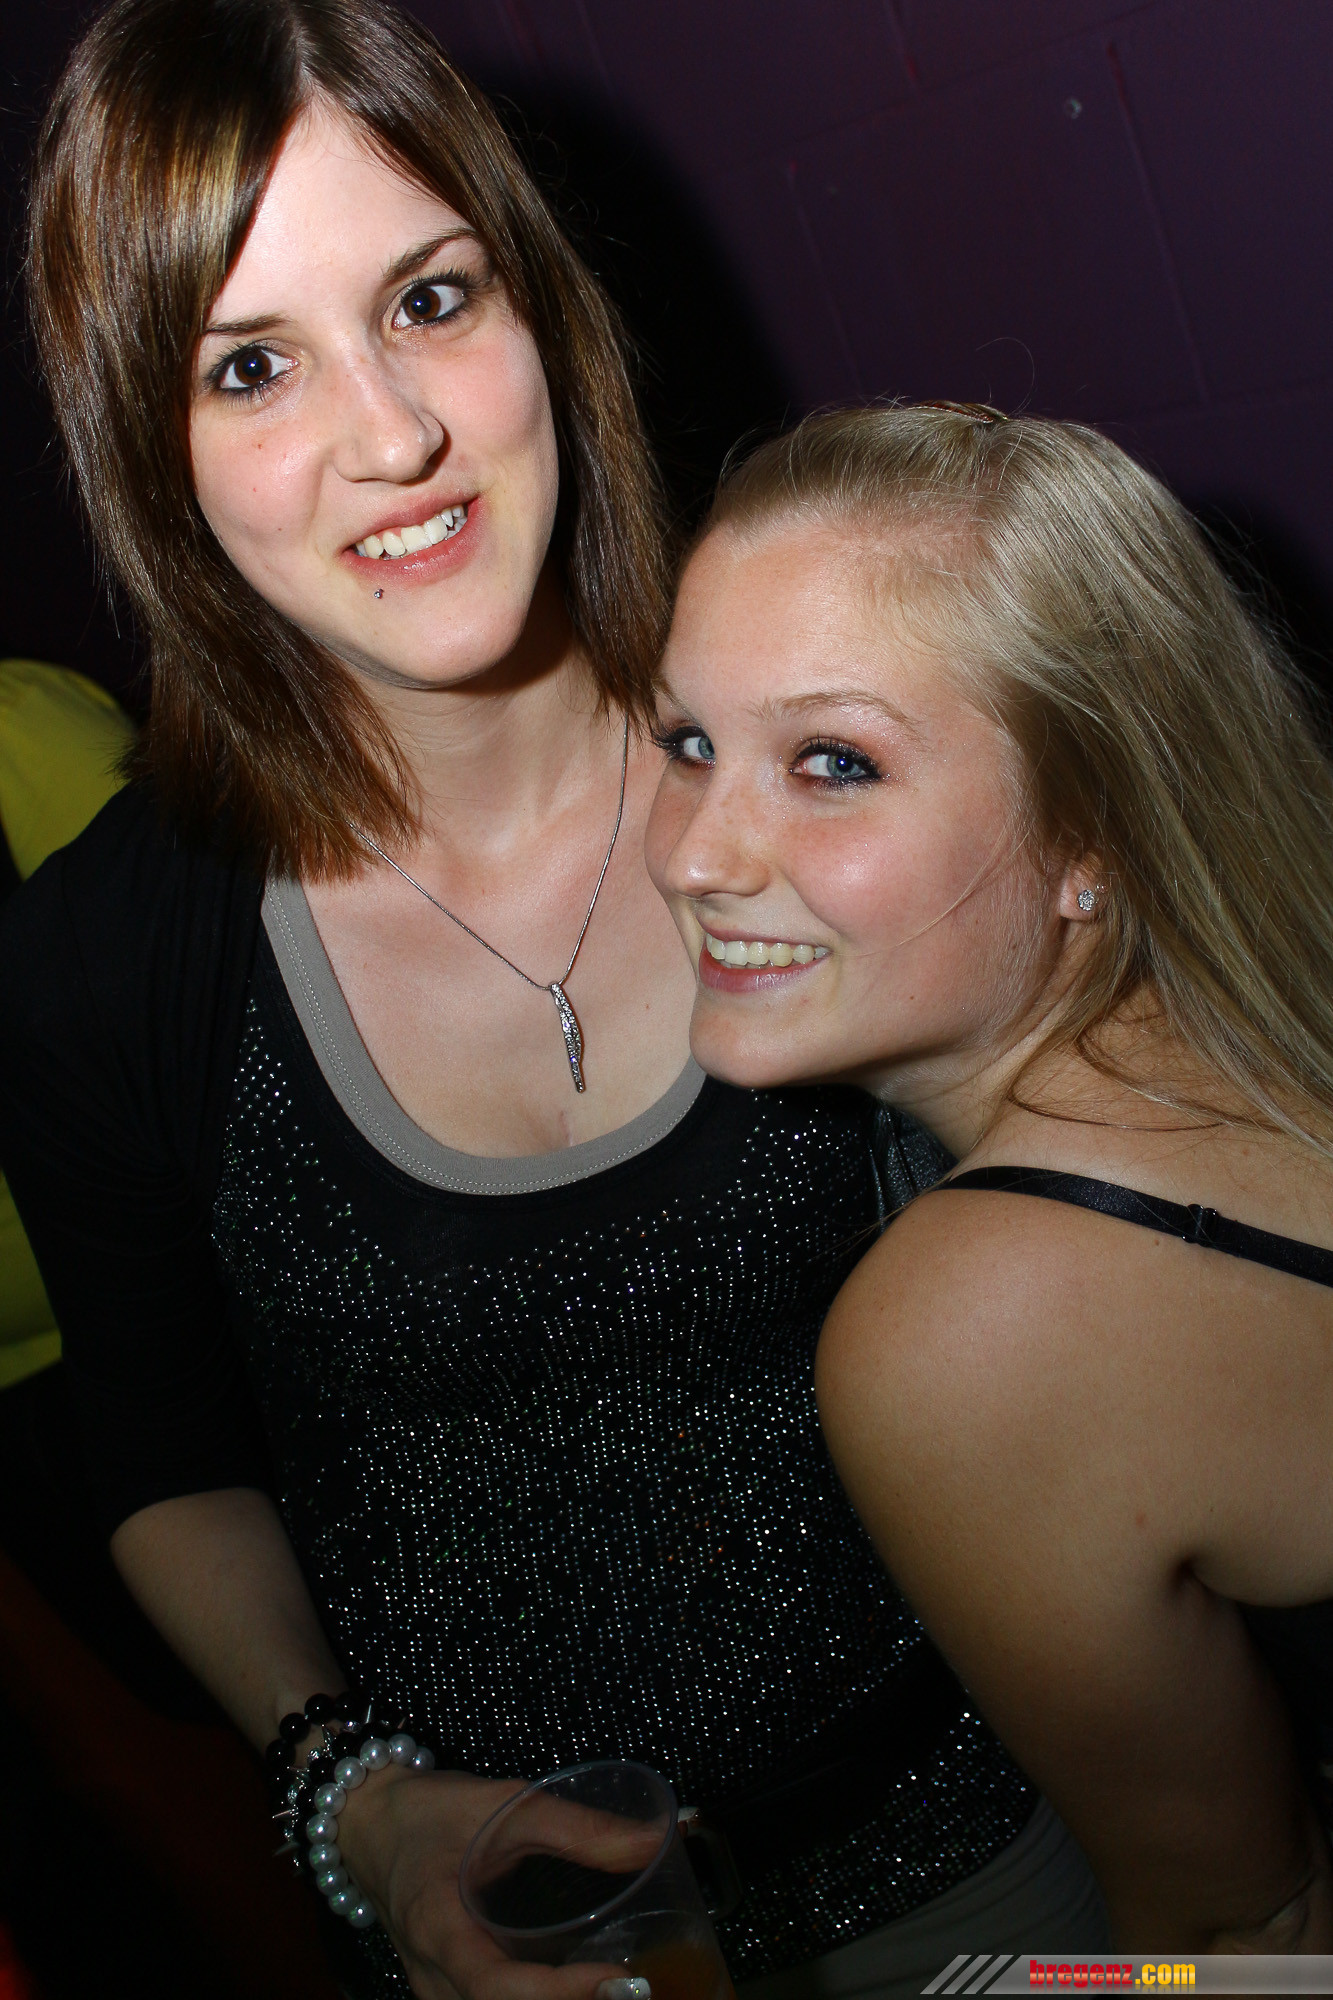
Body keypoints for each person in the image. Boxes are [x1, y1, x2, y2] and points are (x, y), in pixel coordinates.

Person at [0, 12, 1103, 2000]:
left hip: (1005, 1876)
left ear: (537, 302)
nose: (391, 435)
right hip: (531, 1953)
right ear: (149, 457)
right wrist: (354, 1804)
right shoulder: (101, 960)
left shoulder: (833, 751)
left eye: (429, 299)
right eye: (251, 365)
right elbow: (165, 1456)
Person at [645, 400, 1333, 1954]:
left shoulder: (973, 1326)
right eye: (687, 742)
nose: (695, 853)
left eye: (830, 762)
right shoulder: (1252, 1033)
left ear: (1092, 833)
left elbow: (1243, 1939)